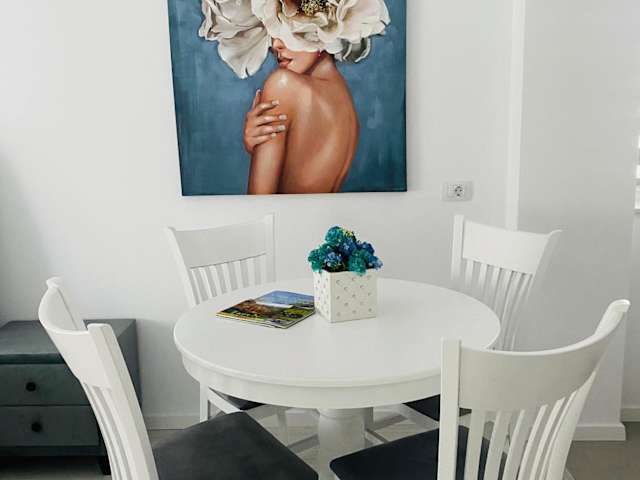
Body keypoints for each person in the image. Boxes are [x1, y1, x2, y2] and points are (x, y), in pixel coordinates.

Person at [243, 38, 359, 194]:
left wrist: (262, 152)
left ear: (322, 33)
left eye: (287, 30)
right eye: (272, 32)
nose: (275, 45)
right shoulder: (344, 100)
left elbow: (259, 204)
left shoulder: (283, 85)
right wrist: (259, 150)